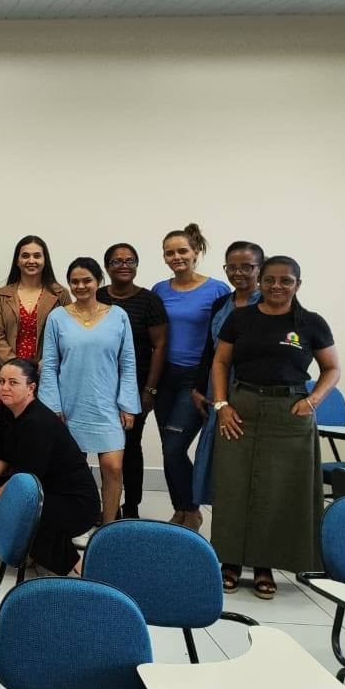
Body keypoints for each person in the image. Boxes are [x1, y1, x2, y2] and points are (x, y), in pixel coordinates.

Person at [210, 257, 338, 599]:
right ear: (260, 281)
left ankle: (264, 565)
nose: (276, 286)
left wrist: (313, 401)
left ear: (298, 284)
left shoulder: (311, 323)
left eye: (285, 281)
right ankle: (230, 561)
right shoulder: (240, 318)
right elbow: (220, 362)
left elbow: (332, 369)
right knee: (234, 487)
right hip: (241, 410)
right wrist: (221, 405)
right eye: (269, 280)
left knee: (277, 491)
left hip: (289, 414)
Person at [0, 359, 101, 576]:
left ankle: (77, 568)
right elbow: (1, 457)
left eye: (13, 382)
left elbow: (27, 480)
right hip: (41, 487)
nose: (5, 387)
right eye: (2, 381)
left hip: (75, 502)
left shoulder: (37, 422)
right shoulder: (5, 411)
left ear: (31, 387)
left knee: (28, 516)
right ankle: (30, 551)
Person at [39, 258, 139, 528]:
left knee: (113, 467)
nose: (81, 286)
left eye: (87, 280)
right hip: (69, 407)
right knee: (71, 471)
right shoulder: (57, 317)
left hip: (107, 405)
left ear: (99, 281)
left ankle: (108, 526)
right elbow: (49, 364)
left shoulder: (118, 316)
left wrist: (127, 405)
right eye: (75, 282)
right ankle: (74, 523)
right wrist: (52, 407)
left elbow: (128, 362)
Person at [150, 223, 230, 530]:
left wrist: (206, 384)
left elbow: (223, 340)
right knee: (169, 449)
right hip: (165, 380)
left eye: (182, 251)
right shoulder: (160, 290)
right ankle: (181, 510)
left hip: (196, 381)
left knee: (174, 447)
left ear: (196, 252)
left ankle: (192, 510)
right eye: (169, 253)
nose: (176, 257)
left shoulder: (217, 290)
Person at [191, 241, 264, 509]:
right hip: (218, 389)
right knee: (220, 454)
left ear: (260, 268)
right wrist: (199, 387)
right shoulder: (222, 303)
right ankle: (224, 511)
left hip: (251, 389)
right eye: (231, 267)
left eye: (246, 267)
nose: (238, 273)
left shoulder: (269, 303)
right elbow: (210, 349)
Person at [97, 243, 168, 519]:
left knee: (130, 446)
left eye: (130, 261)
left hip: (136, 386)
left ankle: (131, 507)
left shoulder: (150, 301)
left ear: (137, 265)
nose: (124, 266)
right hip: (99, 385)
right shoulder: (98, 296)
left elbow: (159, 346)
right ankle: (107, 507)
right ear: (107, 267)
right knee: (103, 448)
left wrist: (149, 390)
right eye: (117, 261)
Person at [0, 235, 72, 432]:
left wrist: (45, 364)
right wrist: (16, 369)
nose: (31, 260)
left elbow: (67, 335)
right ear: (17, 260)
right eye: (25, 256)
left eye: (37, 256)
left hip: (45, 374)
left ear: (45, 260)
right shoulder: (1, 295)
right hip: (7, 373)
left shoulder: (60, 294)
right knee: (3, 432)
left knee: (41, 432)